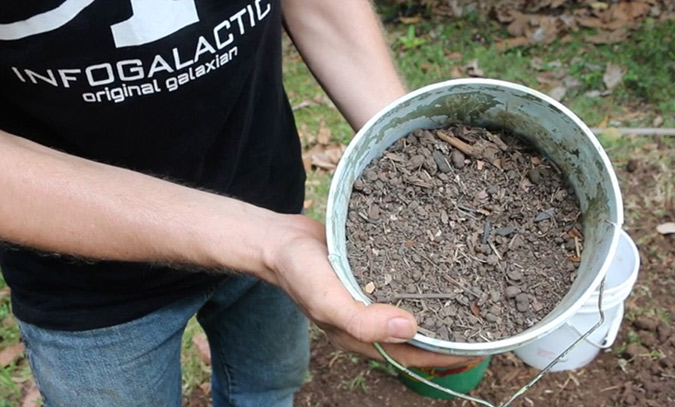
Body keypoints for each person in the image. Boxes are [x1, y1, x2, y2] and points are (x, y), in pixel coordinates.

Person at [0, 1, 475, 406]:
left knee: (268, 388)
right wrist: (264, 244)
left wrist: (408, 152)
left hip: (271, 203)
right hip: (84, 278)